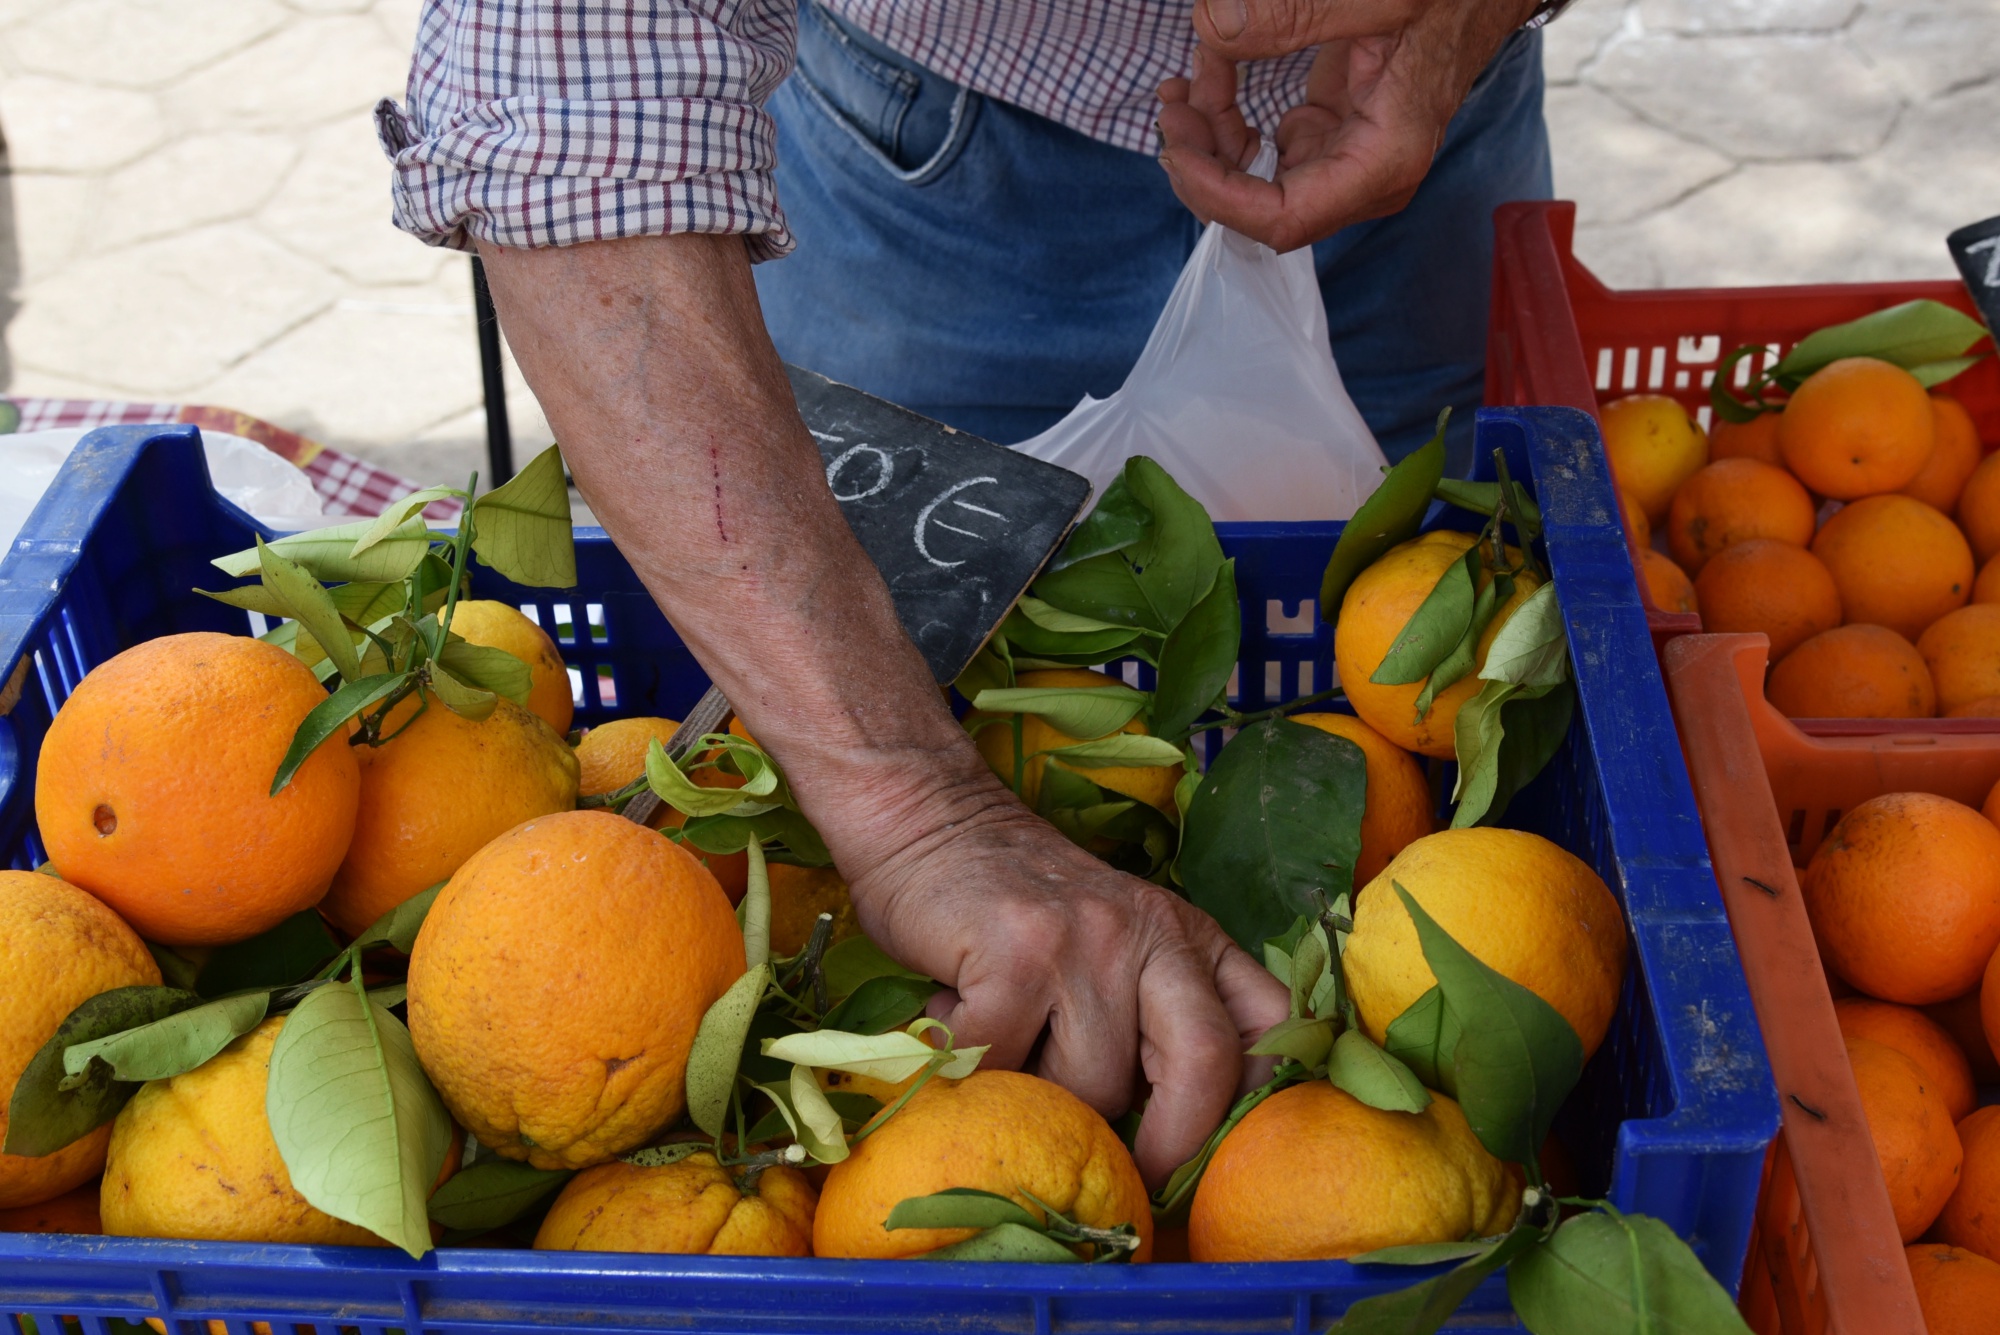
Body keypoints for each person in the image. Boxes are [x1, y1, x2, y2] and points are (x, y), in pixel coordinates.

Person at [376, 0, 1560, 1185]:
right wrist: (913, 810)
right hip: (936, 170)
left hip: (1421, 126)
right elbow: (571, 97)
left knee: (1426, 670)